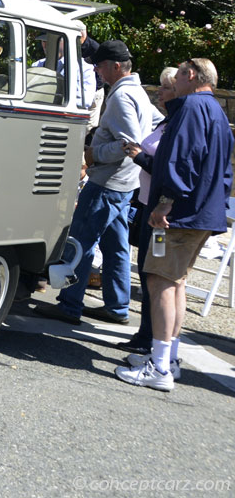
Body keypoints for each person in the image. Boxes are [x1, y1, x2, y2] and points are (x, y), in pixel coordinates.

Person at [115, 58, 234, 391]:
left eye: (178, 75)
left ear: (190, 75)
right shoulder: (217, 112)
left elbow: (183, 159)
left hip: (178, 215)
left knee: (162, 283)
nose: (173, 83)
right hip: (201, 215)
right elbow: (223, 172)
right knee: (176, 283)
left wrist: (166, 201)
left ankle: (159, 368)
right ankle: (168, 360)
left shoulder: (191, 108)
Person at [36, 40, 162, 326]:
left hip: (108, 182)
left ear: (116, 66)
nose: (97, 71)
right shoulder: (138, 93)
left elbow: (129, 142)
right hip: (125, 182)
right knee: (116, 246)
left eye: (101, 66)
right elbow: (158, 125)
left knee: (80, 242)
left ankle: (69, 305)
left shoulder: (120, 96)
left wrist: (93, 155)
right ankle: (117, 307)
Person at [120, 66, 179, 354]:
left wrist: (139, 157)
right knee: (146, 273)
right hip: (145, 205)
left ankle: (151, 339)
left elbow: (169, 169)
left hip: (158, 212)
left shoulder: (177, 124)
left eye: (166, 88)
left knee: (153, 276)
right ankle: (146, 335)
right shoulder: (165, 121)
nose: (159, 93)